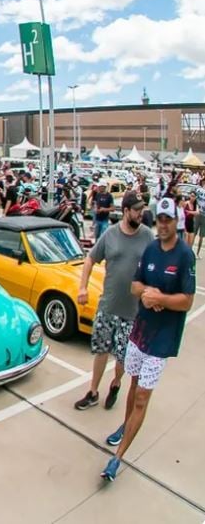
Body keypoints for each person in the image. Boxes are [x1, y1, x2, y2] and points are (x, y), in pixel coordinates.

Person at [100, 197, 195, 482]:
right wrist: (146, 294)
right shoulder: (151, 249)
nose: (163, 224)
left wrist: (162, 299)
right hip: (141, 330)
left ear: (176, 221)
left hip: (162, 338)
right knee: (132, 384)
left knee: (142, 396)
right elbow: (134, 285)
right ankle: (124, 425)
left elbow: (188, 301)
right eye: (160, 219)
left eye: (168, 219)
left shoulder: (184, 255)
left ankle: (117, 460)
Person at [74, 192, 154, 413]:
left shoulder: (147, 236)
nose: (141, 213)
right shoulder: (110, 234)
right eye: (137, 210)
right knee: (101, 350)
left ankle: (116, 383)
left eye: (142, 210)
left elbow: (154, 265)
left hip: (133, 311)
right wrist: (83, 287)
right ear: (126, 211)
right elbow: (90, 258)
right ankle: (92, 392)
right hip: (108, 305)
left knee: (123, 355)